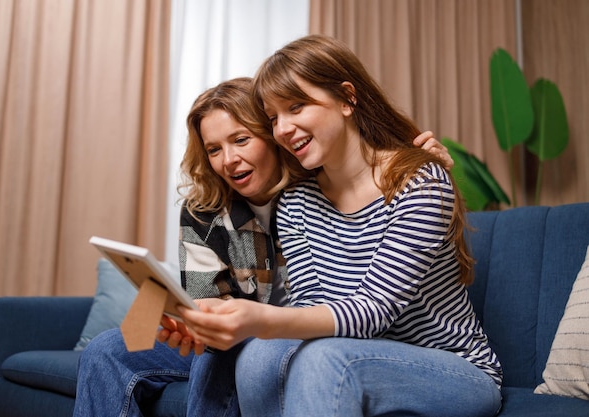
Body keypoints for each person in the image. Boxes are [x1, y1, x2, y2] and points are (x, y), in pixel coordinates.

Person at [73, 76, 453, 416]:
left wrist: (423, 162)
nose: (229, 160)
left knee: (229, 352)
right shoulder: (204, 209)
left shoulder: (321, 188)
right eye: (214, 149)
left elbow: (390, 209)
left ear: (273, 135)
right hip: (233, 332)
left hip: (295, 336)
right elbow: (206, 298)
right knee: (107, 347)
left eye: (241, 140)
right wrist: (174, 318)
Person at [175, 35, 503, 417]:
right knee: (259, 355)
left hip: (451, 368)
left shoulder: (420, 182)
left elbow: (374, 310)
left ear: (347, 99)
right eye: (273, 118)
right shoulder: (297, 200)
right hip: (352, 353)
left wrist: (262, 320)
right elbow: (313, 307)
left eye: (296, 106)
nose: (283, 128)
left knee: (323, 359)